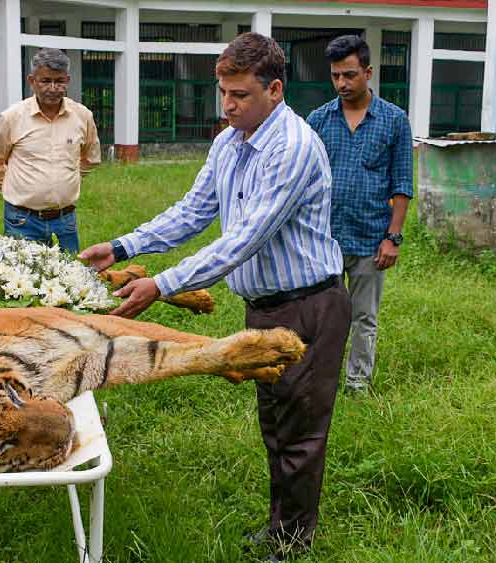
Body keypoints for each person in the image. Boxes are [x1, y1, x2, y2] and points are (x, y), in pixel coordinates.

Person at [79, 32, 351, 561]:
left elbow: (244, 238)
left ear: (274, 90)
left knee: (300, 431)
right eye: (222, 92)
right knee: (275, 422)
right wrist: (122, 245)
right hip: (266, 306)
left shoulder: (292, 147)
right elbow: (192, 212)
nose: (227, 105)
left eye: (240, 94)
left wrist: (162, 284)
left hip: (309, 304)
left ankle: (293, 543)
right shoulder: (229, 142)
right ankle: (281, 527)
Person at [307, 35, 413, 395]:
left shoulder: (394, 121)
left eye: (349, 75)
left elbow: (401, 183)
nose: (341, 83)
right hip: (325, 240)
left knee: (364, 317)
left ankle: (357, 384)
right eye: (336, 76)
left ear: (368, 72)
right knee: (324, 317)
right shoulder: (318, 121)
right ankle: (323, 381)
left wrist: (392, 237)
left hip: (371, 239)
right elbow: (304, 182)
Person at [0, 47, 101, 254]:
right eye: (45, 81)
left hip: (65, 220)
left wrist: (67, 177)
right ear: (32, 81)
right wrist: (12, 188)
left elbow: (91, 158)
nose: (53, 88)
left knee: (70, 282)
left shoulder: (82, 116)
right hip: (21, 220)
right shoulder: (12, 117)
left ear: (68, 80)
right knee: (23, 283)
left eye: (59, 81)